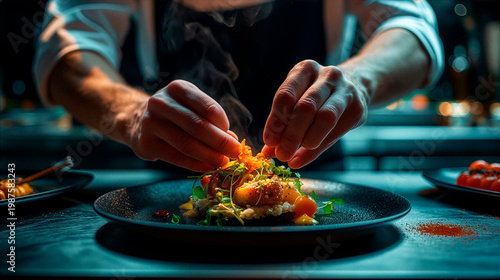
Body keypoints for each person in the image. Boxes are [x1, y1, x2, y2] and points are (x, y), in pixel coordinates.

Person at [34, 0, 443, 172]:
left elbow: (412, 30)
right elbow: (67, 51)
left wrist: (359, 80)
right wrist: (131, 114)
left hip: (319, 183)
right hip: (171, 189)